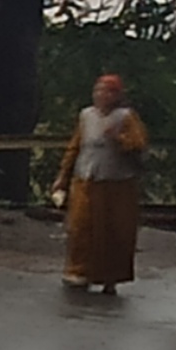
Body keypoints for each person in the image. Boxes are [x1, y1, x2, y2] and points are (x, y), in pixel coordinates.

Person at [54, 72, 151, 292]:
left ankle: (110, 278)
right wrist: (63, 176)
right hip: (86, 178)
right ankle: (78, 272)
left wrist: (119, 139)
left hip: (117, 185)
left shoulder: (126, 117)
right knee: (81, 227)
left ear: (117, 95)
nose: (101, 95)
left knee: (113, 231)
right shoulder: (86, 116)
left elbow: (139, 145)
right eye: (98, 90)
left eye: (107, 91)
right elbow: (75, 146)